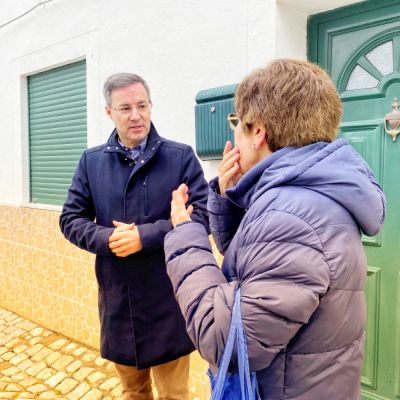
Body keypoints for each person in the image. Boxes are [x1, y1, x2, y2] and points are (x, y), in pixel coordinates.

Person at [163, 59, 386, 399]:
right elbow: (254, 268)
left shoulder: (292, 215)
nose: (233, 134)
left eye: (237, 122)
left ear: (258, 132)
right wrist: (229, 199)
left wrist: (185, 234)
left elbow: (223, 341)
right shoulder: (305, 192)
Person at [59, 73, 209, 400]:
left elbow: (203, 216)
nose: (136, 115)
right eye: (125, 108)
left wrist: (145, 236)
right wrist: (108, 239)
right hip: (119, 300)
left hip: (168, 297)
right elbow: (70, 219)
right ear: (109, 112)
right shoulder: (91, 162)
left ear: (151, 105)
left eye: (142, 105)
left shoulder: (180, 157)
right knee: (133, 392)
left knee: (174, 395)